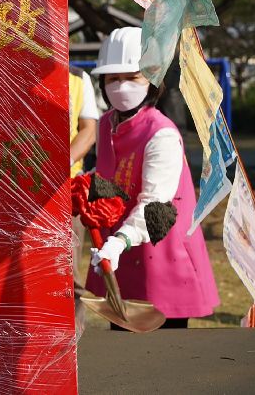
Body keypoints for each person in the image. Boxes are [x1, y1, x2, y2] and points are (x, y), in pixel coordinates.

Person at [86, 27, 219, 328]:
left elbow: (156, 205)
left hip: (162, 251)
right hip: (118, 252)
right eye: (113, 78)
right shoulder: (106, 123)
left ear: (152, 80)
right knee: (122, 346)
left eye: (132, 77)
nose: (121, 86)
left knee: (166, 349)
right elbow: (108, 175)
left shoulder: (162, 133)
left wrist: (119, 241)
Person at [68, 65, 99, 329]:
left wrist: (62, 161)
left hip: (65, 189)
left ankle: (72, 335)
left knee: (69, 273)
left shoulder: (76, 78)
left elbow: (88, 130)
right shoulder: (3, 69)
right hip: (14, 186)